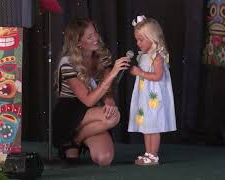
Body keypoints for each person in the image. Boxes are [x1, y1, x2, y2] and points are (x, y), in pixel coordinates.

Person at [53, 18, 130, 166]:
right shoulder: (67, 63)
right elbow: (88, 100)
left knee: (104, 159)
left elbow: (106, 92)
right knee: (114, 118)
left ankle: (74, 141)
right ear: (78, 43)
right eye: (90, 37)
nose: (96, 39)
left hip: (92, 112)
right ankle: (68, 138)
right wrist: (113, 74)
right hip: (69, 112)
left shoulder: (101, 56)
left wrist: (110, 102)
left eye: (95, 33)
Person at [128, 15, 177, 165]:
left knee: (153, 125)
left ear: (152, 38)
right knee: (147, 126)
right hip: (145, 96)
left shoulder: (157, 56)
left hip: (154, 98)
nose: (138, 43)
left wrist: (139, 73)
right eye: (137, 39)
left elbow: (157, 76)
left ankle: (153, 155)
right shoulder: (143, 55)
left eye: (141, 39)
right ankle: (148, 153)